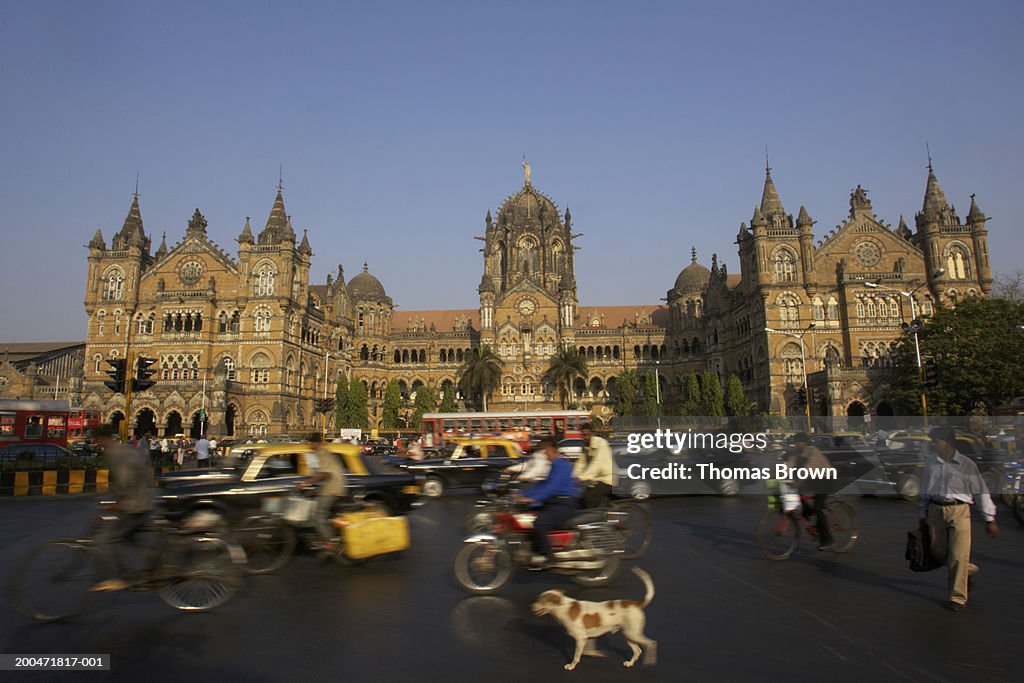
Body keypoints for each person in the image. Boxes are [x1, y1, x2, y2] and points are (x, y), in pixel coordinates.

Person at [920, 425, 998, 612]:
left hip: (960, 511)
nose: (934, 445)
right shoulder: (931, 464)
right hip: (936, 511)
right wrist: (922, 515)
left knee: (957, 555)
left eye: (936, 441)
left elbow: (980, 491)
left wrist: (989, 519)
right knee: (937, 552)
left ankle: (957, 597)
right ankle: (966, 569)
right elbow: (925, 491)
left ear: (948, 442)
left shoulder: (966, 465)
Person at [90, 424, 155, 592]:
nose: (97, 444)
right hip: (144, 500)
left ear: (102, 439)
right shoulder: (126, 448)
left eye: (97, 440)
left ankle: (117, 578)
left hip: (135, 504)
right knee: (130, 537)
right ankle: (150, 565)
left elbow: (127, 478)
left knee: (108, 539)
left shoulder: (117, 453)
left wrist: (119, 502)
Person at [517, 438, 580, 566]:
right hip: (554, 503)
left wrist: (533, 498)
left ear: (551, 449)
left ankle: (548, 557)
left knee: (539, 524)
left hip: (563, 504)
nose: (544, 454)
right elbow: (542, 486)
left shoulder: (561, 465)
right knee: (527, 515)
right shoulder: (554, 465)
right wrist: (521, 495)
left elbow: (551, 488)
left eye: (545, 451)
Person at [300, 434, 348, 553]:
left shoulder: (322, 452)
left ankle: (330, 540)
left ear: (315, 443)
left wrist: (307, 483)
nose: (309, 445)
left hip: (333, 487)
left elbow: (325, 473)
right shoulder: (322, 451)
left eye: (310, 443)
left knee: (318, 515)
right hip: (330, 485)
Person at [788, 433, 834, 551]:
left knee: (818, 508)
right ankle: (807, 511)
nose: (796, 444)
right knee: (796, 492)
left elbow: (808, 469)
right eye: (795, 442)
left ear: (804, 442)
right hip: (813, 480)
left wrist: (798, 482)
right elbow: (789, 466)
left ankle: (827, 539)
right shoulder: (797, 454)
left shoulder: (813, 452)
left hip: (825, 479)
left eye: (797, 442)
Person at [575, 423, 615, 508]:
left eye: (587, 435)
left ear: (592, 434)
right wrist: (573, 477)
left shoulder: (601, 443)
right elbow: (580, 463)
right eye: (583, 435)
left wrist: (581, 477)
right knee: (579, 496)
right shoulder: (585, 446)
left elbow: (597, 463)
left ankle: (595, 519)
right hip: (596, 480)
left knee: (590, 498)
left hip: (607, 479)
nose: (585, 437)